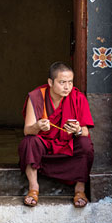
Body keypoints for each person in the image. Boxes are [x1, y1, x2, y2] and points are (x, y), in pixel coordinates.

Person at [18, 61, 94, 208]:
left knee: (85, 143)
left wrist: (77, 130)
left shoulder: (78, 98)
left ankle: (80, 189)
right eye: (62, 82)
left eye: (70, 82)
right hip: (45, 146)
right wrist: (37, 126)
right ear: (50, 82)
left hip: (67, 146)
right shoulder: (36, 97)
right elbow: (27, 130)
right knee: (29, 142)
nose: (67, 87)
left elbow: (85, 131)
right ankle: (34, 188)